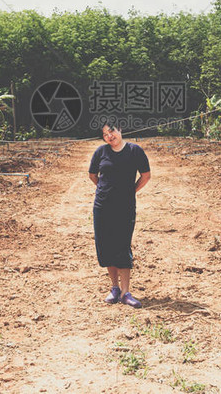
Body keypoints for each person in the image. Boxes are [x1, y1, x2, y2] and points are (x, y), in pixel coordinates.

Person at [88, 124, 151, 308]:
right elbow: (93, 175)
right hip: (102, 207)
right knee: (106, 246)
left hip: (124, 208)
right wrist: (104, 190)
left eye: (112, 131)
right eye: (105, 134)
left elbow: (146, 175)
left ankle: (125, 292)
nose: (109, 136)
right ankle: (114, 288)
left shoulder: (134, 151)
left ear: (120, 130)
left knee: (122, 246)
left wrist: (130, 191)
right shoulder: (101, 152)